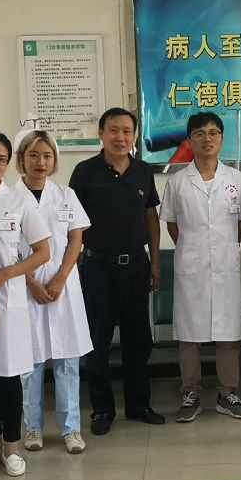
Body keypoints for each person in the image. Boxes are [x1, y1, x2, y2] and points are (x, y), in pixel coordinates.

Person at [69, 108, 165, 435]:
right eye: (113, 130)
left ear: (135, 136)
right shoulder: (84, 172)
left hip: (136, 265)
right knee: (97, 342)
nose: (120, 137)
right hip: (97, 267)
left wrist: (154, 262)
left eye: (127, 131)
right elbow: (72, 224)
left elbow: (151, 217)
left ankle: (139, 404)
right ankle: (102, 410)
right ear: (101, 133)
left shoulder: (143, 171)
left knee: (138, 341)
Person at [0, 132, 50, 476]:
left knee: (9, 375)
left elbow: (43, 252)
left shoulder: (19, 200)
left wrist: (5, 274)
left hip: (8, 299)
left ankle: (12, 449)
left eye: (0, 159)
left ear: (8, 164)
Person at [159, 112, 241, 422]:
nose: (207, 138)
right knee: (189, 334)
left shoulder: (236, 180)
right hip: (191, 267)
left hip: (225, 266)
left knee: (228, 334)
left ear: (221, 138)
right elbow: (172, 224)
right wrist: (193, 247)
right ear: (190, 140)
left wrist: (223, 247)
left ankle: (228, 393)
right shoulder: (177, 182)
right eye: (199, 133)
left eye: (213, 132)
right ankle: (191, 393)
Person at [15, 130, 93, 453]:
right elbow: (3, 249)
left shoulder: (66, 195)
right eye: (33, 155)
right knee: (28, 363)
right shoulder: (8, 198)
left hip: (64, 287)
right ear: (21, 159)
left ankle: (71, 429)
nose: (41, 162)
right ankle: (32, 428)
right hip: (24, 289)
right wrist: (29, 282)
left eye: (47, 156)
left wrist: (61, 277)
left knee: (67, 361)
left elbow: (76, 239)